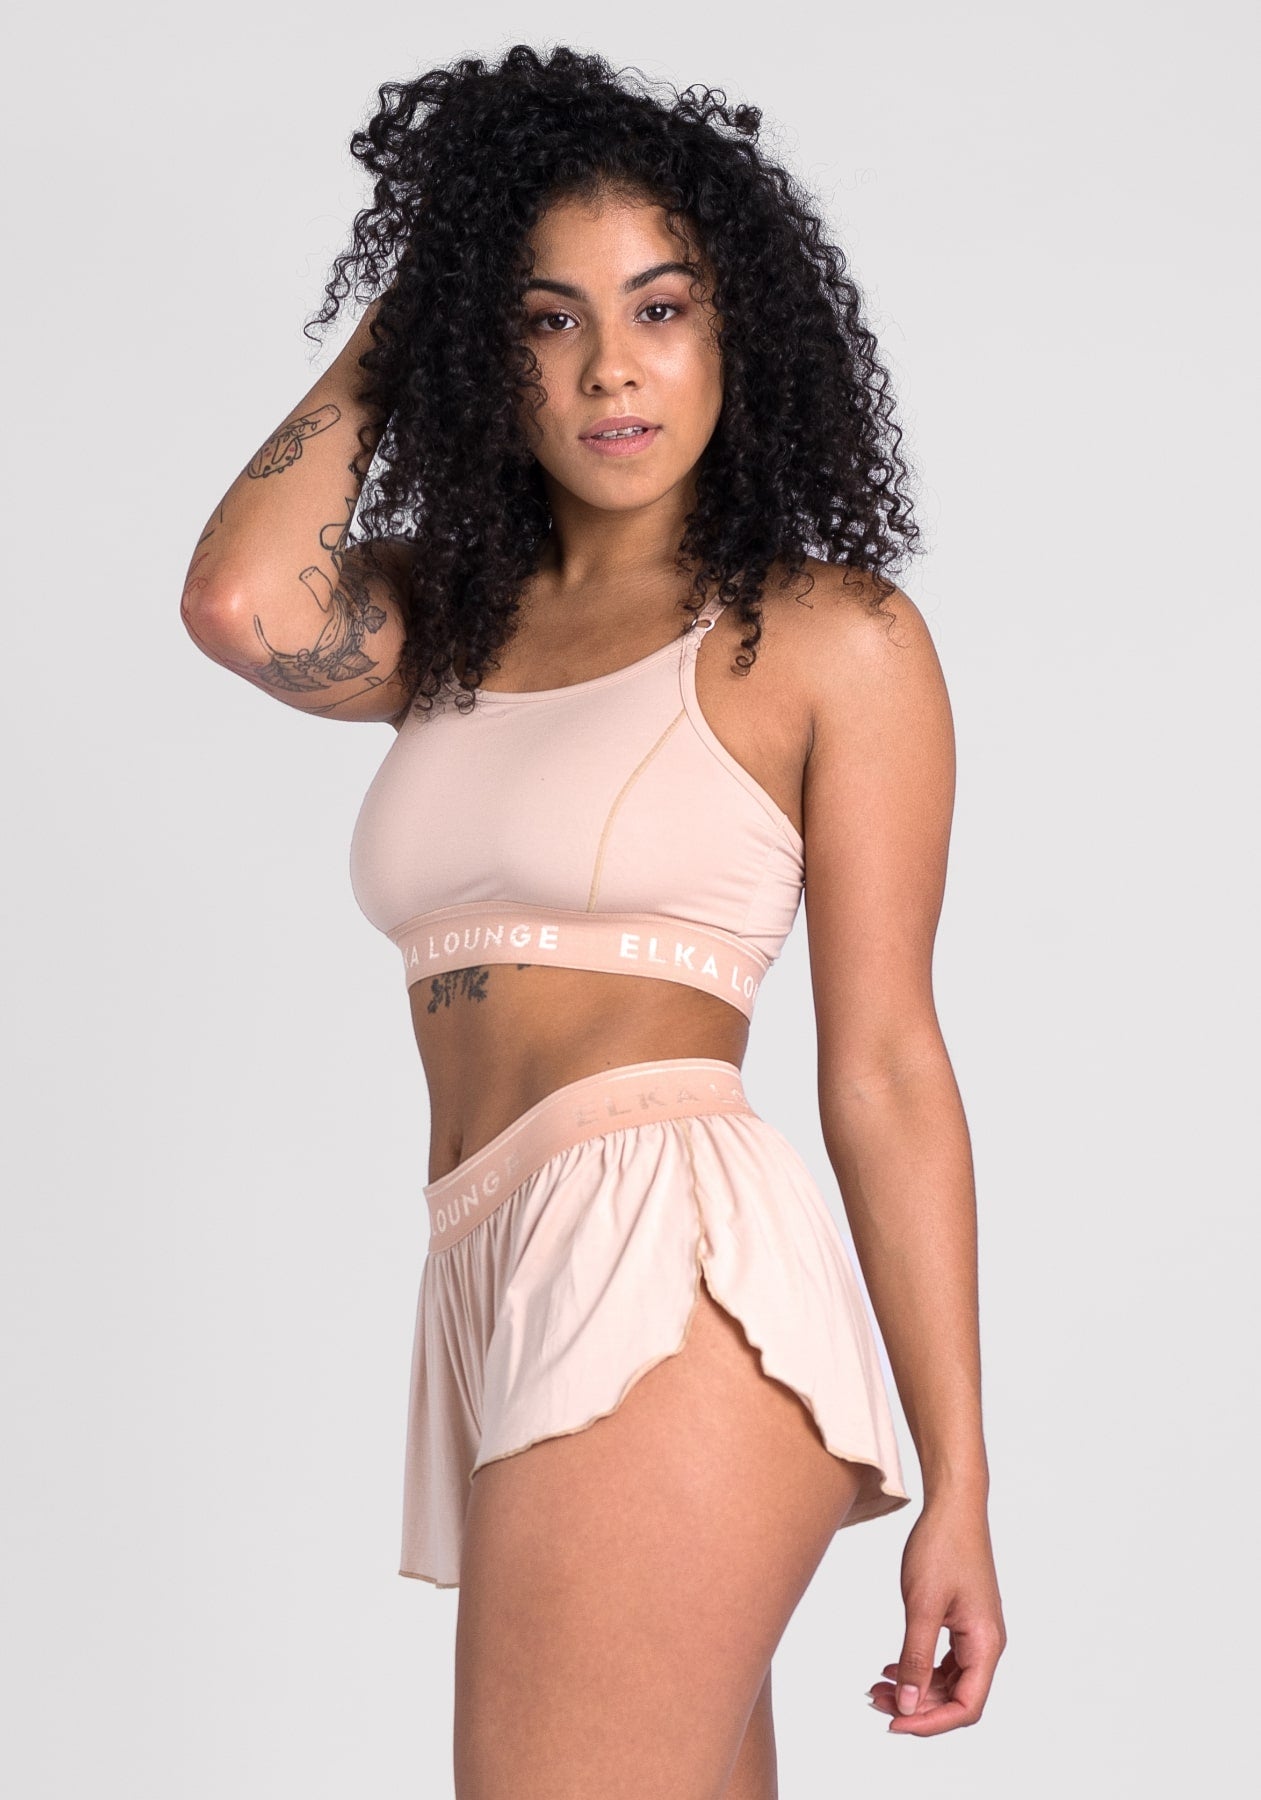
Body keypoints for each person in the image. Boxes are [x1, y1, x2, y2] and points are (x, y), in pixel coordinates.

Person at [181, 43, 1005, 1796]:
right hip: (489, 1256)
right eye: (546, 320)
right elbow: (245, 601)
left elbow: (883, 1066)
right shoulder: (449, 624)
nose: (610, 367)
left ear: (737, 332)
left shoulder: (824, 638)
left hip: (668, 1266)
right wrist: (432, 286)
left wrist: (963, 1486)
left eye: (659, 308)